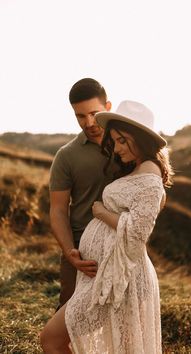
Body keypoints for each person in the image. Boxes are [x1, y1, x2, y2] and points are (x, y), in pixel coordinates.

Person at [41, 100, 173, 354]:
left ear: (141, 140)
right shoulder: (137, 168)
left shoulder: (150, 175)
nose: (118, 148)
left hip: (119, 279)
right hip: (106, 276)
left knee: (51, 339)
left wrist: (102, 213)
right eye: (115, 141)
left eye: (123, 141)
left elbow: (137, 234)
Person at [49, 78, 115, 308]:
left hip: (123, 244)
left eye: (94, 113)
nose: (88, 122)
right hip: (82, 250)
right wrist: (70, 253)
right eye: (80, 116)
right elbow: (58, 210)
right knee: (67, 319)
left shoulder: (130, 146)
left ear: (108, 107)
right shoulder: (66, 155)